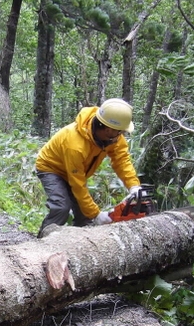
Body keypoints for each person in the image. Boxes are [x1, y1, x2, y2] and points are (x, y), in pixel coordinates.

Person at [35, 98, 142, 238]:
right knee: (61, 207)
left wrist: (134, 186)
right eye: (120, 132)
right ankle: (42, 242)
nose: (121, 135)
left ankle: (80, 246)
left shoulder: (113, 137)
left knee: (84, 214)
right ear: (109, 129)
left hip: (75, 170)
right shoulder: (75, 144)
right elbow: (77, 184)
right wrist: (96, 214)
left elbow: (121, 159)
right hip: (51, 168)